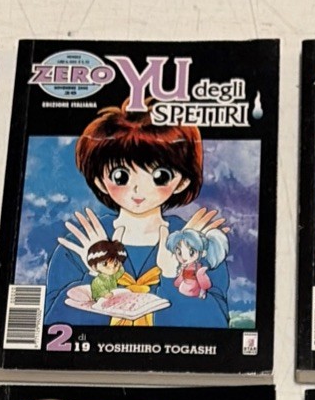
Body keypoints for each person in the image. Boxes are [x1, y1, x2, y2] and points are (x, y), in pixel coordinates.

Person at [50, 107, 230, 327]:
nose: (138, 189)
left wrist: (173, 274)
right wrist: (96, 275)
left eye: (160, 176)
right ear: (100, 181)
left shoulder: (197, 245)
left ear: (182, 181)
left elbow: (215, 329)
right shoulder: (79, 247)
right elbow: (53, 328)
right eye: (121, 176)